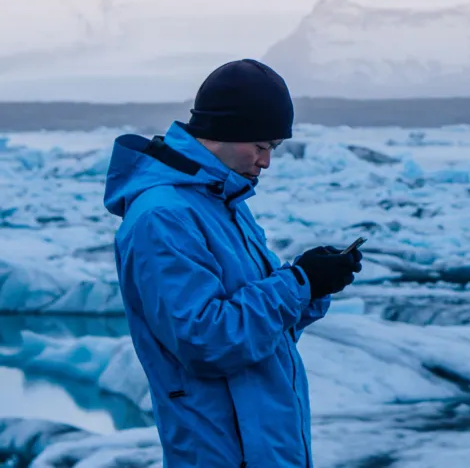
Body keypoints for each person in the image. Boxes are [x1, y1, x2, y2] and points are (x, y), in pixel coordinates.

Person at [103, 58, 362, 467]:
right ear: (223, 132)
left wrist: (315, 285)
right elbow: (205, 340)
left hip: (263, 441)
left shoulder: (221, 201)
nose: (266, 162)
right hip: (223, 449)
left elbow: (260, 331)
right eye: (260, 146)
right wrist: (299, 283)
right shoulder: (164, 216)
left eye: (273, 149)